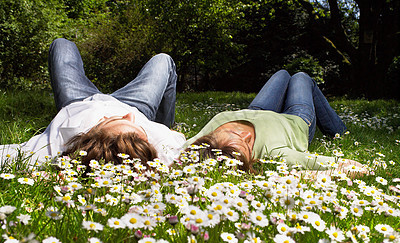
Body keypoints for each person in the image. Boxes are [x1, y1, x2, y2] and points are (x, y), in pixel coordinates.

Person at [0, 38, 186, 168]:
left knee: (61, 45)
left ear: (88, 134)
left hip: (77, 99)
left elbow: (7, 155)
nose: (130, 117)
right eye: (133, 124)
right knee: (164, 60)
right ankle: (165, 120)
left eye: (107, 121)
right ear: (147, 142)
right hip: (135, 103)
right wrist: (168, 133)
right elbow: (189, 145)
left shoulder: (50, 148)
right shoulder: (159, 143)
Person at [184, 70, 366, 175]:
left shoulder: (204, 140)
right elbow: (348, 167)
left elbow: (172, 152)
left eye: (235, 133)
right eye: (249, 144)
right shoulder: (275, 154)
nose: (247, 134)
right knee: (301, 77)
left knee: (282, 74)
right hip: (296, 119)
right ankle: (340, 132)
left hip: (256, 111)